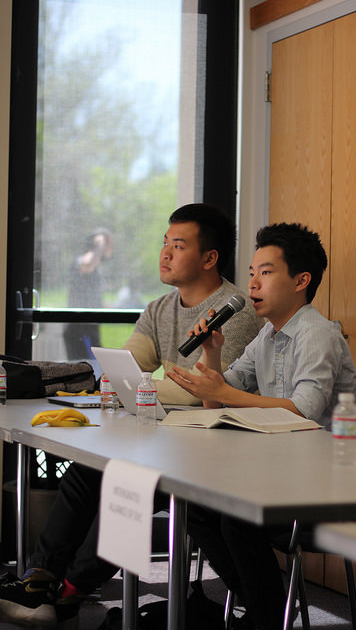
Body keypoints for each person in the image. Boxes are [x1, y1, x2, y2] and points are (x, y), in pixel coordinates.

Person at [0, 204, 261, 628]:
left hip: (217, 452)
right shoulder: (160, 308)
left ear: (210, 258)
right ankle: (41, 577)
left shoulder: (235, 313)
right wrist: (127, 385)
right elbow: (123, 365)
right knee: (87, 470)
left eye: (179, 246)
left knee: (129, 486)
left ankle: (67, 592)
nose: (165, 254)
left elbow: (203, 390)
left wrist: (135, 389)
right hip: (169, 440)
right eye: (165, 243)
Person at [168, 222, 356, 630]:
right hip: (289, 472)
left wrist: (226, 393)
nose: (253, 283)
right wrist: (211, 353)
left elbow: (303, 412)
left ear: (301, 281)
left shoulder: (318, 334)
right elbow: (217, 397)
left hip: (341, 480)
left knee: (237, 516)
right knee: (198, 506)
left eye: (265, 272)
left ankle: (266, 613)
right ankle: (268, 606)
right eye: (251, 272)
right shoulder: (267, 336)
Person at [63, 228, 114, 360]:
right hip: (80, 330)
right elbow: (86, 265)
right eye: (108, 244)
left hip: (89, 327)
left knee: (95, 369)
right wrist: (99, 245)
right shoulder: (82, 261)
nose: (110, 249)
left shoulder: (96, 269)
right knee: (87, 370)